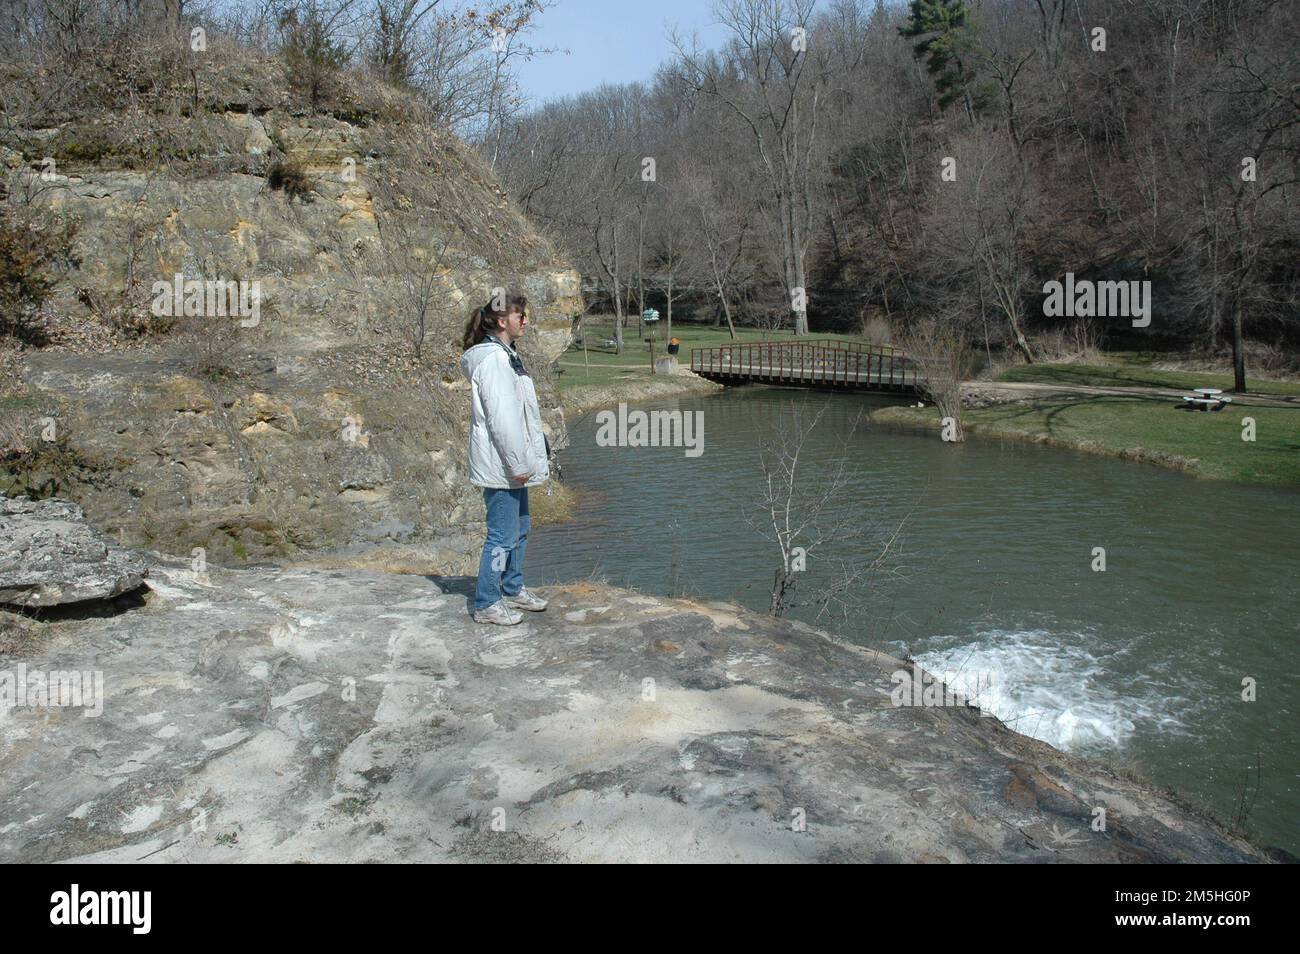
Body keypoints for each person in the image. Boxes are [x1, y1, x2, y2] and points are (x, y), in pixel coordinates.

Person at [460, 293, 551, 625]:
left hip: (512, 465)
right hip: (502, 468)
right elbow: (502, 420)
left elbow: (522, 415)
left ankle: (512, 588)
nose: (525, 321)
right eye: (521, 316)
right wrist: (518, 464)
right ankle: (486, 601)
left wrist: (536, 446)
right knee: (501, 535)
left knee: (521, 527)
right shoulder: (495, 361)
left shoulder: (508, 356)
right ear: (502, 321)